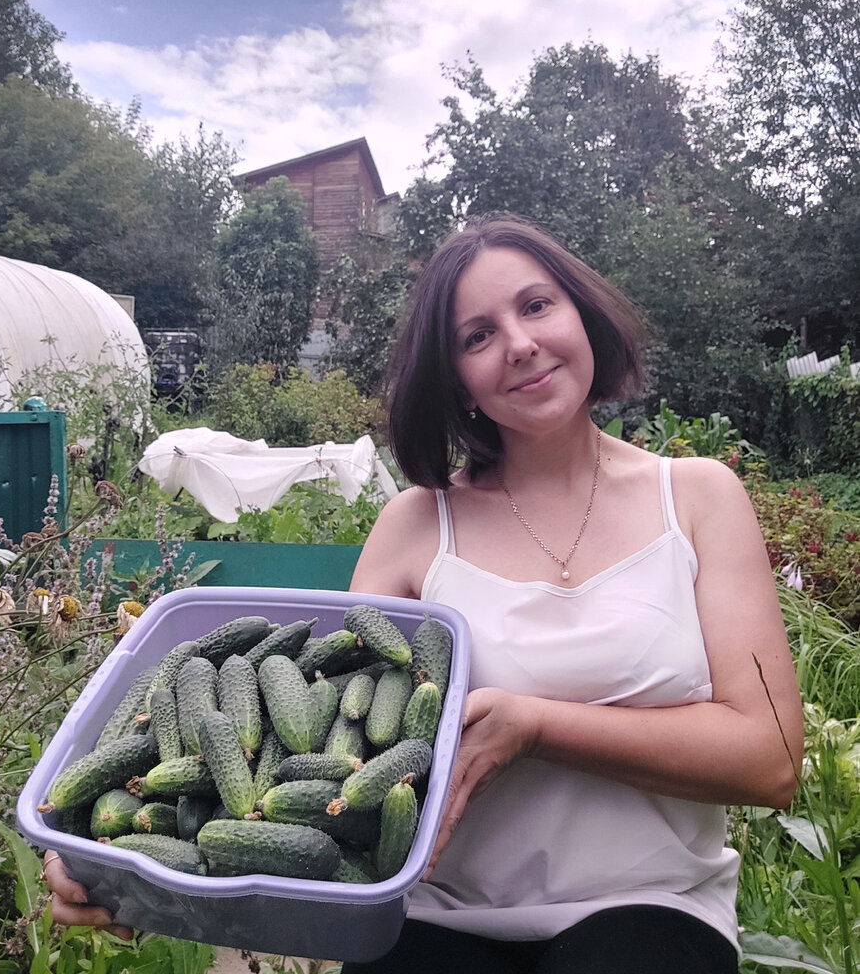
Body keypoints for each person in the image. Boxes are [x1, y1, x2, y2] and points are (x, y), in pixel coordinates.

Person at [45, 214, 804, 973]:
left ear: (583, 314)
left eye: (537, 306)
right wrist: (111, 847)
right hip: (431, 909)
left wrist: (537, 726)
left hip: (652, 908)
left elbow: (767, 760)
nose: (518, 343)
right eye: (477, 336)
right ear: (456, 380)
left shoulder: (698, 498)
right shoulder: (417, 526)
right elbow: (309, 752)